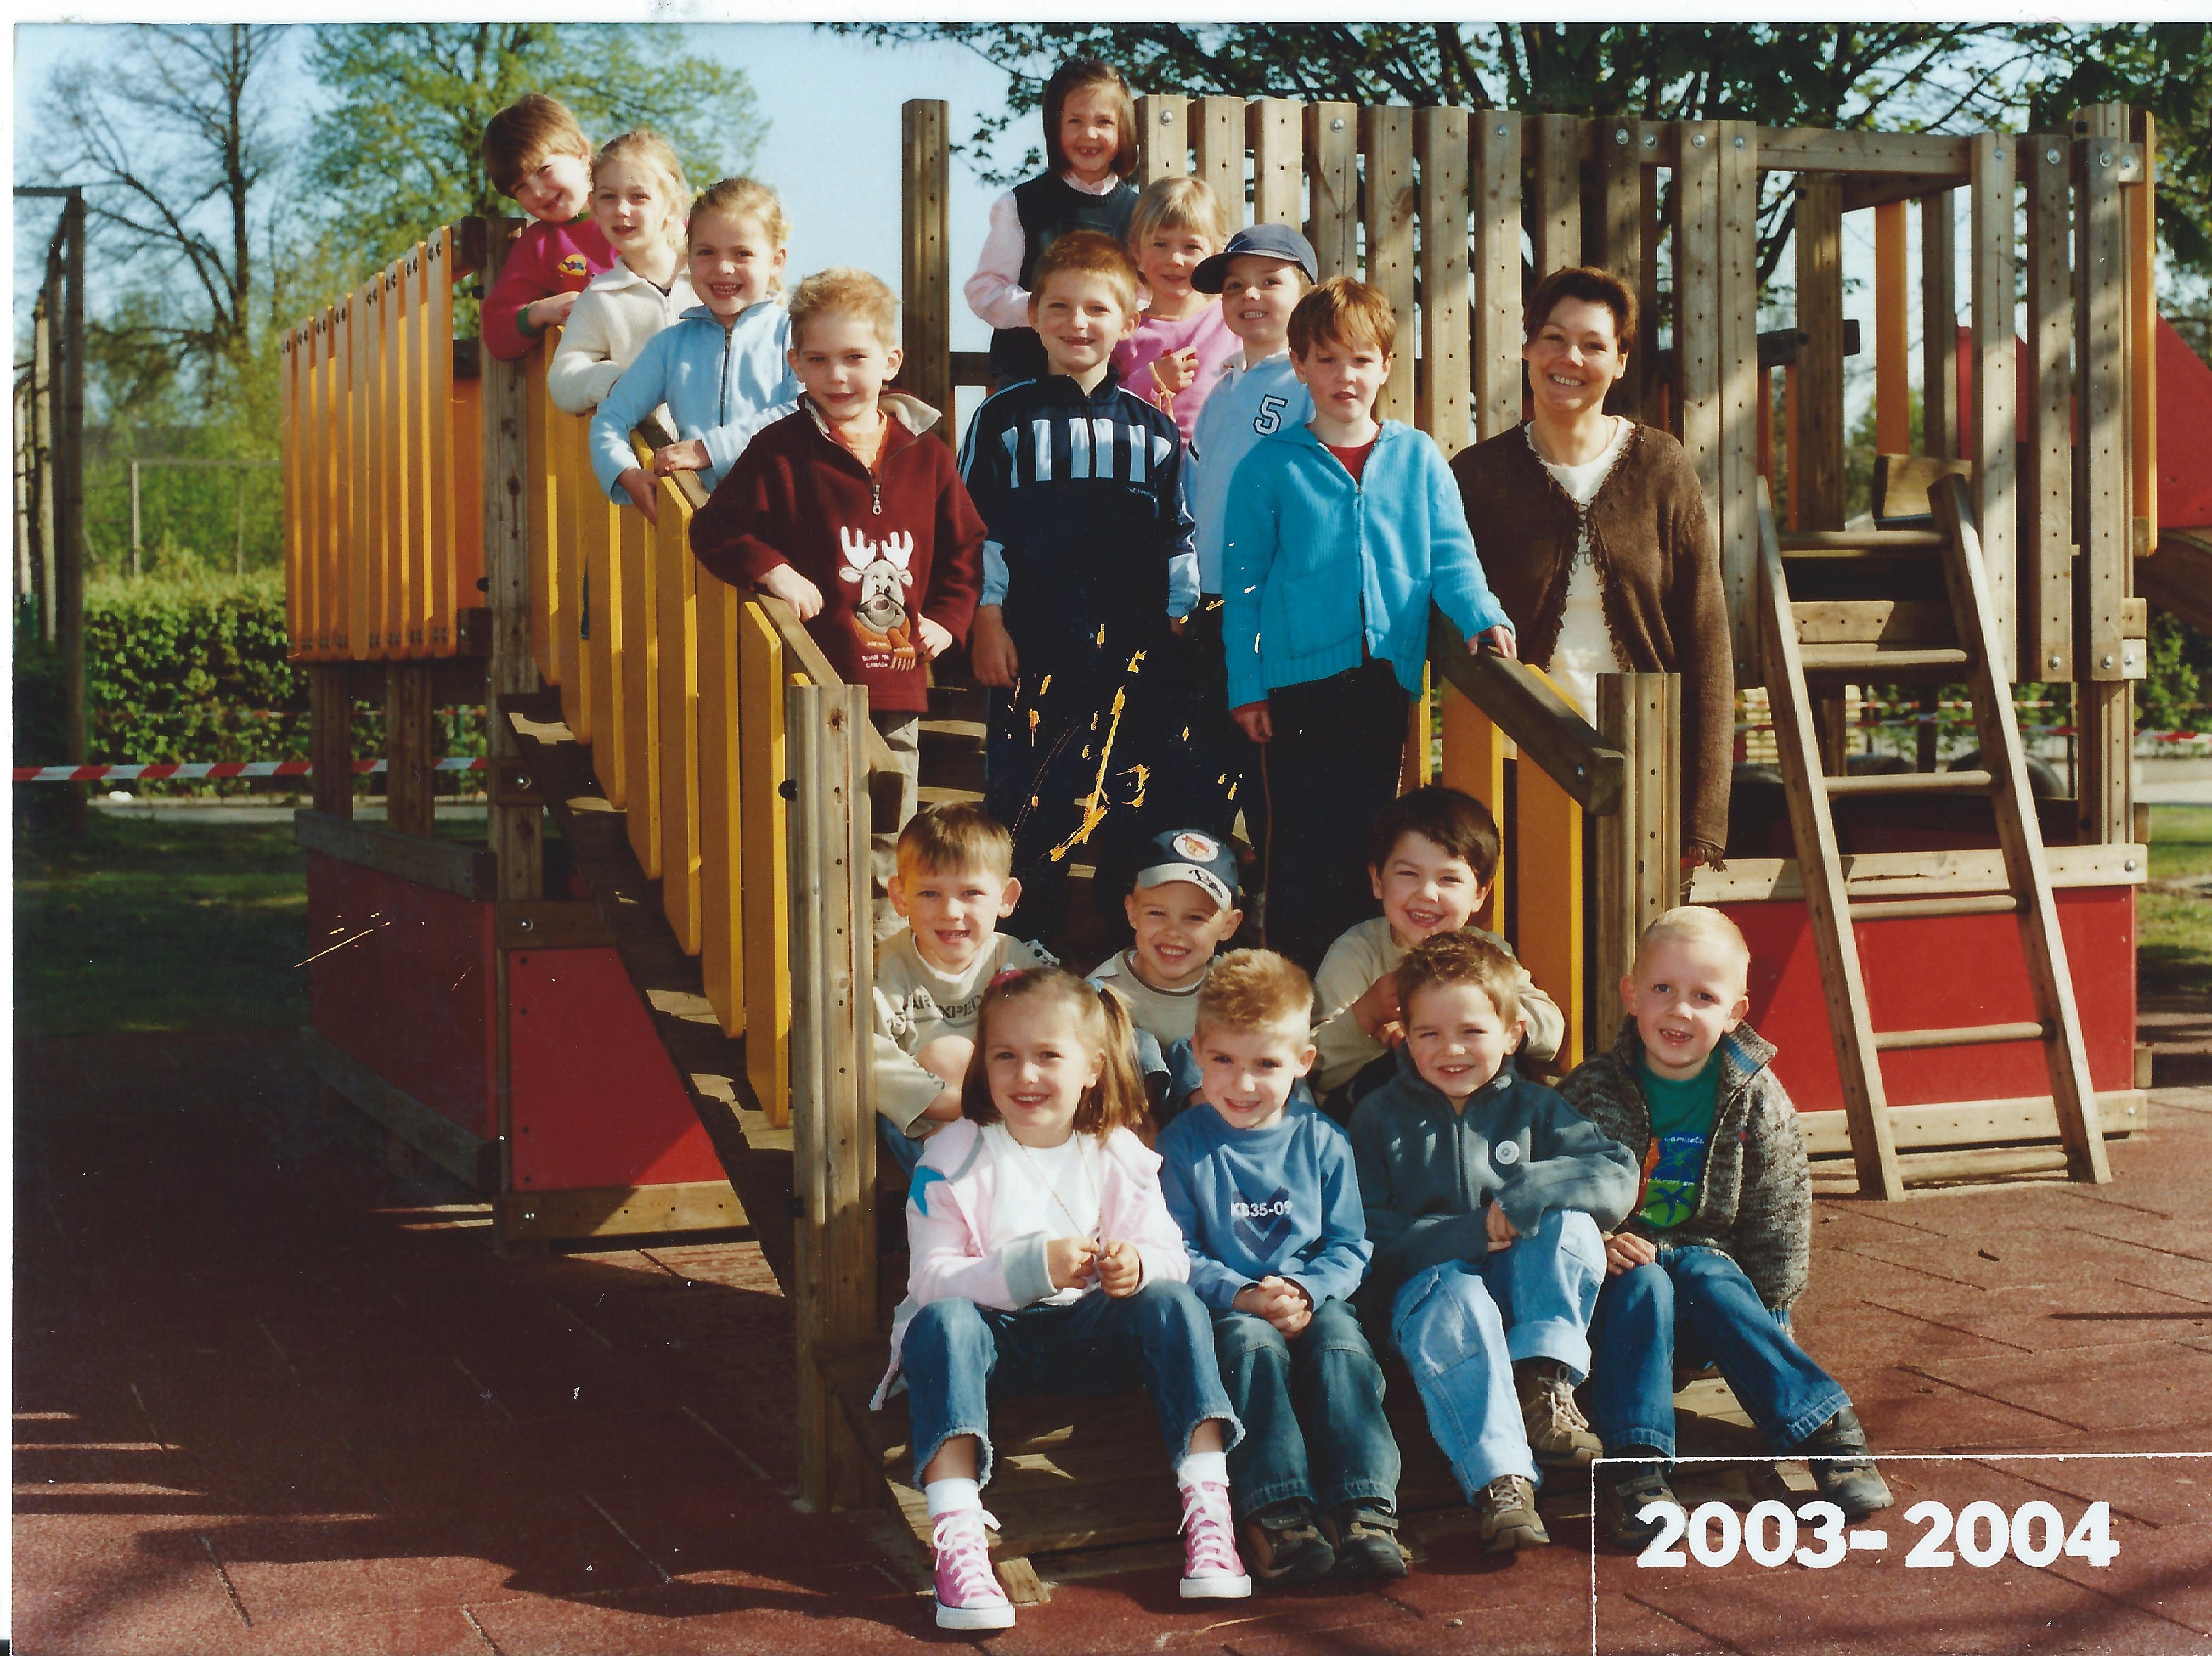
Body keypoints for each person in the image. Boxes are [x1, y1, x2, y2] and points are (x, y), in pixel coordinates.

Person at [873, 968, 1250, 1628]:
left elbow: (1168, 1253)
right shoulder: (952, 1156)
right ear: (984, 1063)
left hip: (1088, 1343)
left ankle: (1209, 1512)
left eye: (1049, 1055)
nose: (1026, 1075)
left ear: (1092, 1068)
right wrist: (1030, 1268)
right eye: (1005, 1056)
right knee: (944, 1321)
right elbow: (930, 1279)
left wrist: (1136, 1265)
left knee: (1174, 1302)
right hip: (992, 1349)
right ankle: (957, 1538)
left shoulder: (1116, 1152)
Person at [1562, 907, 1893, 1545]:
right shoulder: (1592, 1090)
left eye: (1703, 997)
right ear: (1631, 995)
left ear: (1735, 1012)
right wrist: (1593, 1242)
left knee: (1705, 1270)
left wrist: (1772, 1321)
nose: (1679, 1011)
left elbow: (1779, 1216)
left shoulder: (1756, 1097)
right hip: (1615, 1302)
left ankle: (1828, 1433)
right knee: (1647, 1278)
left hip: (1711, 1307)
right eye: (1663, 989)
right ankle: (1636, 1468)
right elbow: (1552, 1189)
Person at [1221, 277, 1516, 972]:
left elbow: (1452, 555)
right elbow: (1244, 588)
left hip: (1383, 678)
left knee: (1370, 838)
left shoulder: (1417, 458)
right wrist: (1248, 686)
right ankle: (1296, 990)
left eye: (1360, 360)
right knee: (1301, 843)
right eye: (1326, 360)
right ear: (1299, 365)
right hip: (1296, 689)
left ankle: (1360, 984)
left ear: (1385, 366)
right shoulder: (1269, 466)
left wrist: (1481, 614)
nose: (1344, 376)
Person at [689, 268, 984, 939]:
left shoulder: (926, 456)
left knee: (889, 837)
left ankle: (879, 963)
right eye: (818, 360)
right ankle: (810, 959)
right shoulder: (779, 451)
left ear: (890, 361)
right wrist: (774, 571)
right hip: (810, 682)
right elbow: (715, 529)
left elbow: (966, 548)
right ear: (795, 364)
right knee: (812, 832)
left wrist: (947, 620)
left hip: (896, 682)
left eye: (854, 358)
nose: (838, 376)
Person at [1350, 931, 1638, 1553]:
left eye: (1472, 1032)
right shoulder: (1377, 1118)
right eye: (1429, 1033)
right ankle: (1502, 1481)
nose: (1451, 1049)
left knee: (1569, 1223)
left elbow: (1615, 1173)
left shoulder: (1538, 1108)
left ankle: (1544, 1380)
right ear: (1404, 1034)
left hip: (1522, 1297)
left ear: (1512, 1034)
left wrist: (1527, 1195)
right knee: (1459, 1298)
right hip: (1433, 1304)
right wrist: (1472, 1230)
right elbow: (1368, 1234)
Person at [960, 230, 1201, 948]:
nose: (1077, 323)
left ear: (1129, 321)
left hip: (1132, 654)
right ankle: (1020, 948)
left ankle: (1119, 960)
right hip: (1032, 647)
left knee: (1124, 799)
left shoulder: (1155, 432)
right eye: (1060, 307)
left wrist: (1178, 625)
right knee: (1027, 801)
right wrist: (987, 617)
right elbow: (975, 527)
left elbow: (1179, 537)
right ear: (1034, 316)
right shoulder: (1003, 419)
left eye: (1097, 309)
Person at [1448, 265, 1734, 869]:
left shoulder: (1662, 466)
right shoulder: (1477, 476)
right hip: (1518, 766)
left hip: (1644, 764)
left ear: (1621, 361)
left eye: (1593, 345)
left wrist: (1703, 816)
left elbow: (1707, 636)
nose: (1570, 358)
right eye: (1553, 338)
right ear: (1528, 348)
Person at [1158, 950, 1406, 1585]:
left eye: (1266, 1065)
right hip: (1230, 1309)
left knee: (1342, 1341)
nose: (1243, 1085)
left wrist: (1305, 1289)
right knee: (1251, 1346)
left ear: (1303, 1061)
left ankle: (1364, 1507)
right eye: (1223, 1061)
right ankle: (1278, 1512)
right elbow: (1175, 1249)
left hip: (1311, 1301)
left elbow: (1350, 1245)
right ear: (1197, 1051)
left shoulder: (1324, 1141)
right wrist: (1243, 1293)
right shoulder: (1183, 1146)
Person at [1181, 224, 1318, 878]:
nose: (1250, 296)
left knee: (1275, 784)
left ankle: (1281, 913)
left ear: (1307, 293)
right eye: (1235, 287)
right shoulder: (1222, 387)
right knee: (1206, 775)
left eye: (1270, 281)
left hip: (1271, 612)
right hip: (1212, 607)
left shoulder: (1309, 382)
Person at [1310, 786, 1562, 1113]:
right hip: (1385, 1121)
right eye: (1409, 874)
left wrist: (1484, 1015)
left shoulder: (1486, 952)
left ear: (1480, 894)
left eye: (1449, 879)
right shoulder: (1358, 953)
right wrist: (1367, 1015)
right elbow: (1313, 1067)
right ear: (1378, 880)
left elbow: (1550, 1033)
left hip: (1479, 1118)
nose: (1428, 893)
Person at [590, 177, 799, 518]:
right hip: (698, 520)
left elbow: (803, 412)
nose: (723, 268)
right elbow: (611, 417)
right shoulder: (671, 346)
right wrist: (624, 471)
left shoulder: (793, 335)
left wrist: (711, 449)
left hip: (783, 518)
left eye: (742, 254)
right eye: (706, 253)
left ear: (776, 261)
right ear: (688, 257)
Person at [868, 806, 1057, 1178]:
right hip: (930, 1118)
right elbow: (868, 1057)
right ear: (900, 896)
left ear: (1006, 897)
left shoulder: (1014, 958)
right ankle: (958, 1189)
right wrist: (968, 1105)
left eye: (971, 893)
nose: (951, 911)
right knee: (947, 1055)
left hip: (1009, 1111)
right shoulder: (886, 969)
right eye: (930, 893)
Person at [965, 58, 1141, 385]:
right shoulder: (1021, 205)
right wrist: (1044, 311)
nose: (1089, 134)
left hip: (1110, 384)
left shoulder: (1141, 215)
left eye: (1104, 122)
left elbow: (1146, 297)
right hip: (1027, 379)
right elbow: (985, 291)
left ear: (1124, 130)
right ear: (1055, 127)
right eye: (1075, 121)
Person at [545, 129, 696, 414]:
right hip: (646, 442)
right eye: (609, 197)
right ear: (594, 207)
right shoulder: (601, 297)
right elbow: (563, 380)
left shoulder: (708, 280)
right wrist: (614, 382)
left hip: (731, 440)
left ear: (673, 207)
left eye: (639, 196)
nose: (621, 210)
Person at [477, 94, 614, 363]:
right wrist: (539, 312)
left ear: (580, 151)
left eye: (543, 170)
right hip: (606, 372)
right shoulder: (541, 245)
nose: (538, 192)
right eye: (521, 187)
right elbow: (497, 331)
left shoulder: (638, 208)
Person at [1089, 827, 1245, 1054]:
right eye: (1158, 913)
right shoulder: (1102, 993)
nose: (1173, 932)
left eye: (1195, 918)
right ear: (1132, 913)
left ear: (1228, 926)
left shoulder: (1238, 991)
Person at [1113, 177, 1239, 446]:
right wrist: (1151, 380)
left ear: (1217, 251)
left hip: (1217, 463)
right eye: (1160, 245)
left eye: (1191, 247)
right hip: (1143, 463)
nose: (1175, 259)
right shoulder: (1123, 332)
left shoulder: (1232, 322)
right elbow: (1103, 408)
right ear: (1137, 251)